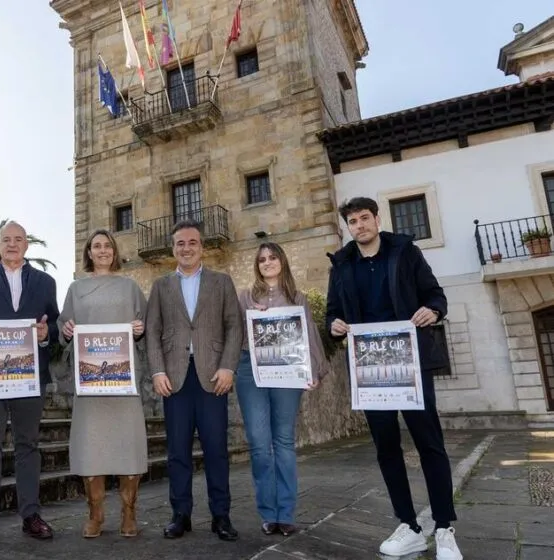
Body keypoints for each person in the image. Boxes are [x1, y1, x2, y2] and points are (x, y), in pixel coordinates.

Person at [326, 197, 462, 560]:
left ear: (376, 219)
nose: (359, 226)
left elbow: (436, 295)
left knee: (429, 444)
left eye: (364, 218)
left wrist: (432, 310)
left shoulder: (405, 251)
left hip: (411, 363)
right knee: (387, 449)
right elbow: (332, 314)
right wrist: (334, 326)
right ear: (347, 227)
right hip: (369, 370)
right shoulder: (340, 265)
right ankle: (409, 526)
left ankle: (445, 528)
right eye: (352, 221)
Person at [0, 220, 60, 545]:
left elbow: (55, 326)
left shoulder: (46, 283)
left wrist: (48, 335)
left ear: (27, 245)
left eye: (18, 239)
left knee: (28, 445)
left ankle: (30, 515)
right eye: (7, 239)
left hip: (30, 379)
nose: (13, 244)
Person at [146, 219, 243, 541]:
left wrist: (228, 367)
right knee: (177, 452)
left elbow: (234, 326)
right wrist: (158, 371)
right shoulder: (160, 286)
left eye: (192, 243)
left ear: (201, 247)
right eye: (180, 244)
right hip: (174, 380)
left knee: (216, 450)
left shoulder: (221, 282)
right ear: (173, 248)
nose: (186, 248)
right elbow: (153, 333)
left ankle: (221, 516)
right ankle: (180, 515)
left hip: (213, 376)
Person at [57, 229, 148, 539]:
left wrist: (139, 329)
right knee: (90, 447)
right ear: (89, 252)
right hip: (90, 384)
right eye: (96, 246)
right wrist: (67, 329)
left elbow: (145, 326)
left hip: (123, 384)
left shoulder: (130, 287)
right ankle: (95, 514)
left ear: (114, 251)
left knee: (128, 446)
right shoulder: (76, 288)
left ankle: (129, 512)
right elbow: (63, 326)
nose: (103, 250)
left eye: (107, 245)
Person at [236, 242, 330, 537]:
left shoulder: (298, 298)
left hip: (288, 369)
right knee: (259, 443)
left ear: (282, 261)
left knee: (284, 442)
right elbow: (233, 331)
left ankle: (286, 514)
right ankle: (268, 513)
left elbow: (310, 334)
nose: (267, 262)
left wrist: (313, 370)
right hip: (251, 368)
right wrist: (253, 315)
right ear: (257, 265)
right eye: (262, 259)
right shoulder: (245, 297)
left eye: (272, 257)